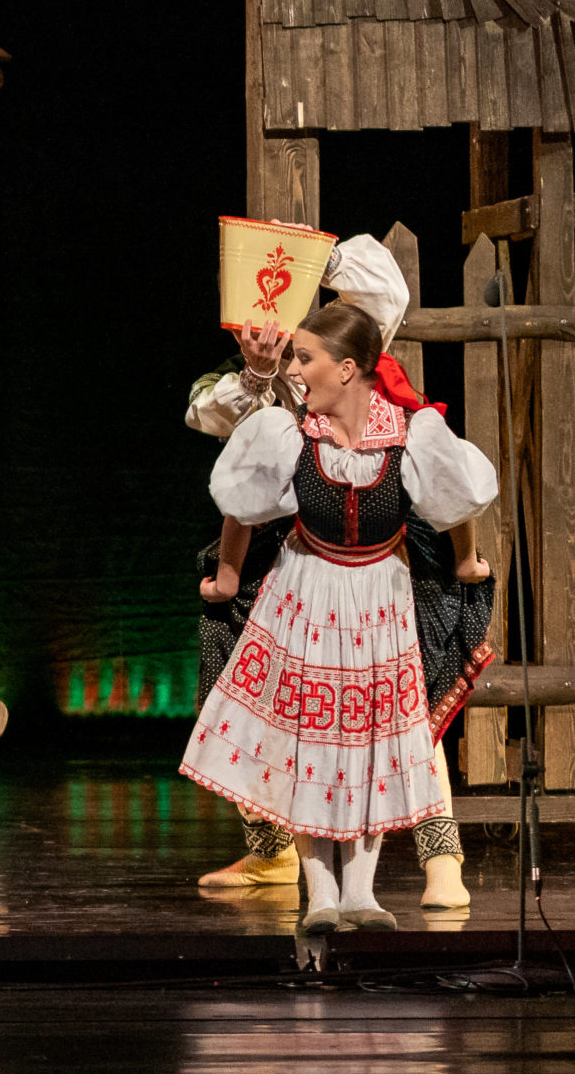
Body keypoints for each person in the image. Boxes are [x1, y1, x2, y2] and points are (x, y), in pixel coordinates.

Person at [186, 234, 484, 912]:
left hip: (382, 548)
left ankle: (442, 857)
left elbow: (387, 290)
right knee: (275, 705)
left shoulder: (349, 337)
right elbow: (216, 424)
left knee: (401, 706)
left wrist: (307, 261)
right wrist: (259, 374)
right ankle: (273, 851)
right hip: (293, 548)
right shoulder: (259, 372)